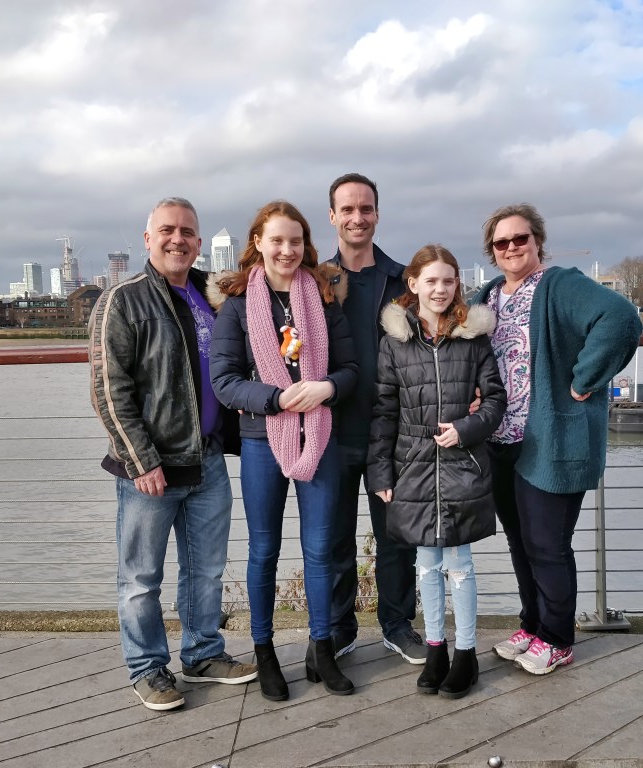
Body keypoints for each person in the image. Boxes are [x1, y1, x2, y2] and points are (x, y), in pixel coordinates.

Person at [88, 197, 257, 712]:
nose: (177, 239)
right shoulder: (123, 299)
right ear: (147, 239)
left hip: (207, 460)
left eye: (187, 231)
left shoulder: (215, 294)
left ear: (200, 242)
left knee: (205, 569)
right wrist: (141, 462)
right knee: (140, 577)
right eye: (166, 230)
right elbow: (107, 388)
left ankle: (203, 653)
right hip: (151, 468)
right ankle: (146, 668)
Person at [473, 203, 643, 676]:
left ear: (537, 241)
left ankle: (558, 638)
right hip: (501, 440)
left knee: (548, 544)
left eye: (520, 239)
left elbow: (621, 318)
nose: (511, 248)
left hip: (549, 438)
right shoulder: (486, 296)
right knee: (520, 541)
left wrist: (584, 379)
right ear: (491, 251)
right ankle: (532, 626)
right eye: (501, 242)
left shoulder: (559, 285)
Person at [209, 200, 359, 699]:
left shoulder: (322, 297)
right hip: (260, 442)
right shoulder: (235, 305)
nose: (287, 249)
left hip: (319, 435)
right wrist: (273, 399)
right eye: (277, 240)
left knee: (320, 550)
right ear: (258, 243)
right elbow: (225, 381)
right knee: (264, 550)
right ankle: (265, 650)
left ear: (305, 244)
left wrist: (327, 389)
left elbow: (352, 370)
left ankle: (321, 648)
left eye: (295, 240)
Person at [367, 244, 507, 699]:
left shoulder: (474, 338)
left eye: (449, 280)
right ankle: (436, 650)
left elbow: (495, 400)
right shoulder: (395, 343)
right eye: (431, 280)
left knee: (460, 565)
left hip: (461, 465)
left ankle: (465, 654)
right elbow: (384, 411)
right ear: (413, 285)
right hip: (412, 466)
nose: (441, 289)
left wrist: (466, 429)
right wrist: (381, 473)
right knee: (425, 564)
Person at [324, 172, 427, 664]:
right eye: (347, 209)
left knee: (396, 536)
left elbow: (442, 339)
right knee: (336, 537)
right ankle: (341, 627)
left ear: (377, 215)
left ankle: (397, 624)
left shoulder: (405, 281)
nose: (357, 217)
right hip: (332, 431)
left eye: (365, 209)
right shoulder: (316, 281)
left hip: (395, 431)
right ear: (333, 217)